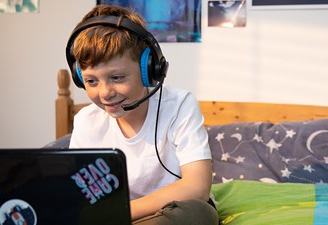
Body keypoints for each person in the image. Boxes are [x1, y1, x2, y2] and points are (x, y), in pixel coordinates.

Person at [66, 4, 218, 225]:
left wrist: (120, 213)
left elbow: (197, 186)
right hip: (115, 216)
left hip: (169, 212)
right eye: (91, 81)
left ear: (149, 70)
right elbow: (82, 193)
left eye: (117, 77)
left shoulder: (180, 105)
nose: (105, 93)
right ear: (80, 78)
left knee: (198, 212)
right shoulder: (85, 122)